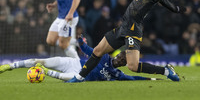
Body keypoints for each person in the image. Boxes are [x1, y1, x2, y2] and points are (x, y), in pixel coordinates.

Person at [68, 0, 187, 83]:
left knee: (133, 66)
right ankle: (79, 77)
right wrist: (176, 9)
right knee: (98, 51)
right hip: (122, 28)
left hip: (133, 31)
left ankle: (166, 71)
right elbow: (163, 1)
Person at [0, 37, 161, 81]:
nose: (120, 60)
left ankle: (44, 72)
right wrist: (82, 42)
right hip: (73, 63)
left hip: (78, 75)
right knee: (38, 61)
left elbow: (133, 78)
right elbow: (87, 50)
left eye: (123, 62)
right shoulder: (103, 56)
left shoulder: (117, 75)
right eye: (120, 57)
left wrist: (151, 78)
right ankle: (10, 66)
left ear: (125, 64)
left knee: (69, 78)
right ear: (117, 54)